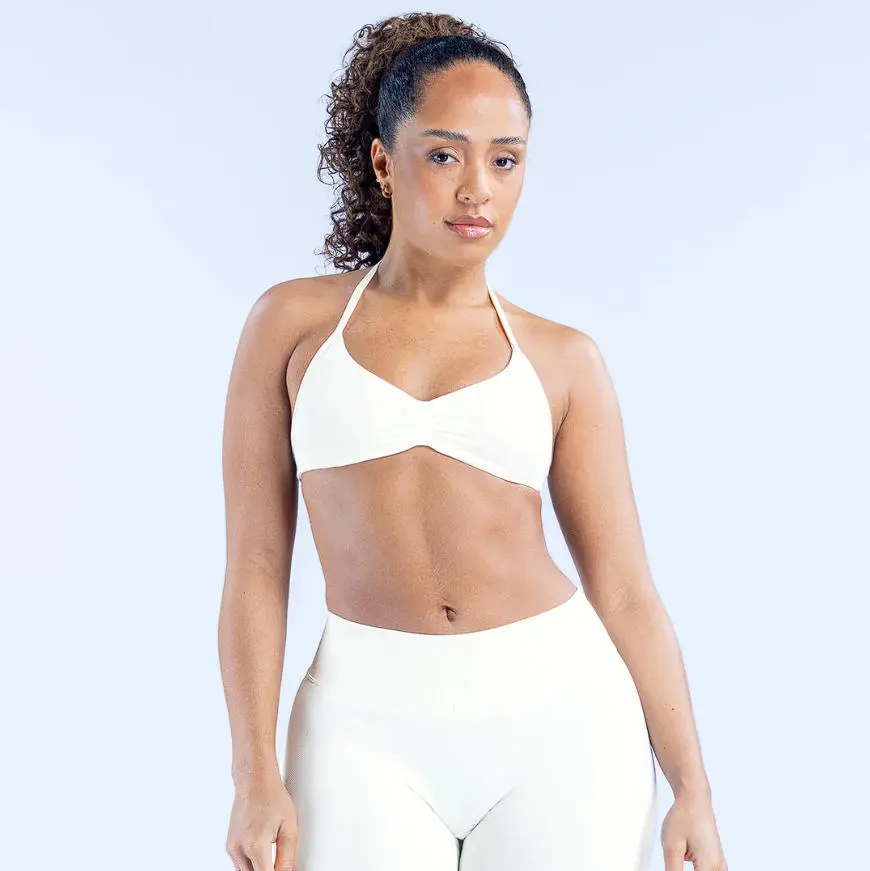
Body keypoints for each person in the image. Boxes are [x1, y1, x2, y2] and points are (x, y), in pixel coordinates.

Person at [219, 12, 727, 871]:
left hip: (563, 724)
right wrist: (252, 774)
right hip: (359, 728)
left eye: (506, 160)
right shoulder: (291, 327)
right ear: (385, 162)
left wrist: (694, 789)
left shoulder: (563, 359)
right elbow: (257, 569)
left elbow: (626, 590)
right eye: (446, 155)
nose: (477, 190)